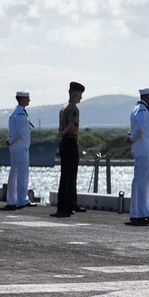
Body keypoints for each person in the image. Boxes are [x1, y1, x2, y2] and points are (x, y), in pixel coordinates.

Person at [128, 87, 149, 222]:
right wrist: (132, 138)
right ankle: (138, 212)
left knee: (144, 181)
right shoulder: (141, 110)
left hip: (145, 149)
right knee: (141, 181)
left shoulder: (140, 109)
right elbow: (139, 128)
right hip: (143, 149)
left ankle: (144, 210)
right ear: (145, 97)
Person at [56, 82, 85, 216]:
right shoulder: (73, 108)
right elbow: (72, 126)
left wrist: (61, 133)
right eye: (80, 95)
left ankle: (62, 203)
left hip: (63, 142)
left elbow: (61, 127)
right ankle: (70, 203)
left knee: (64, 173)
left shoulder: (63, 107)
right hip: (70, 141)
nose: (81, 98)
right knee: (71, 173)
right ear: (74, 95)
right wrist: (64, 133)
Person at [6, 91, 33, 208]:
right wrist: (11, 140)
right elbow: (19, 132)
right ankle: (22, 199)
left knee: (14, 173)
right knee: (22, 174)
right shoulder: (21, 114)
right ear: (22, 99)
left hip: (16, 147)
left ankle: (12, 199)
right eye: (27, 98)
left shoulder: (16, 112)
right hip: (21, 147)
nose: (29, 100)